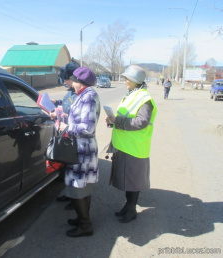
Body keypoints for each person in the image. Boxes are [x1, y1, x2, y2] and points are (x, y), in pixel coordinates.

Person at [105, 65, 157, 223]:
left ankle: (132, 210)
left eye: (128, 78)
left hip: (135, 147)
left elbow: (141, 122)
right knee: (128, 181)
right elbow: (125, 117)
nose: (124, 80)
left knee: (133, 182)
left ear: (136, 80)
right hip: (125, 145)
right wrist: (112, 121)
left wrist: (117, 121)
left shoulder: (144, 99)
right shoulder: (131, 95)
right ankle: (128, 207)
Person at [59, 66, 101, 237]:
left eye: (74, 80)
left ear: (81, 83)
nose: (72, 83)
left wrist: (67, 128)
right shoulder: (83, 95)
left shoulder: (89, 97)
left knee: (77, 189)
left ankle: (85, 225)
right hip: (80, 148)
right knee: (81, 187)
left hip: (82, 149)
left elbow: (87, 127)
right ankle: (82, 218)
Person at [51, 62, 79, 210]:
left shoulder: (79, 94)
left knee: (74, 169)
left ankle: (76, 200)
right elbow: (66, 103)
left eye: (66, 79)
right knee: (67, 168)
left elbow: (76, 115)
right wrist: (57, 103)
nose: (64, 82)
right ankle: (69, 194)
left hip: (74, 134)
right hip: (66, 134)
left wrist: (64, 116)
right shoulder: (70, 92)